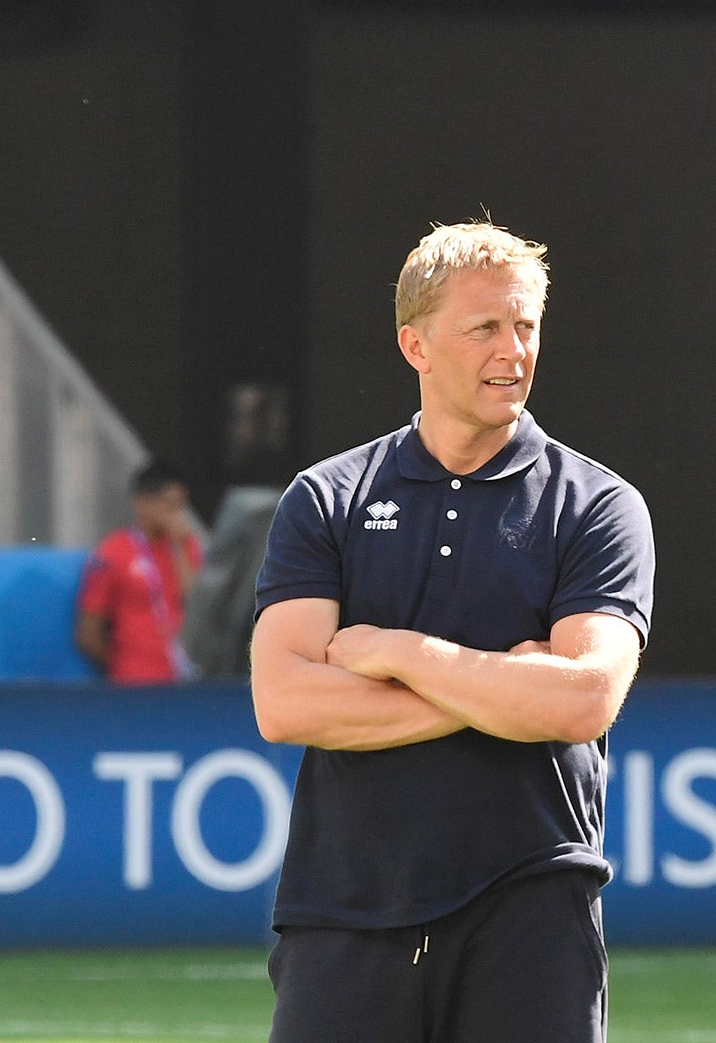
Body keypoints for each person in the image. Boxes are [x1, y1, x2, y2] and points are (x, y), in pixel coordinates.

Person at [250, 222, 654, 1043]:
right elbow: (285, 703)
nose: (514, 350)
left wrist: (403, 655)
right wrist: (504, 688)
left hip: (534, 909)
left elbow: (582, 701)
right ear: (416, 344)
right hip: (343, 912)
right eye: (485, 328)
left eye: (527, 326)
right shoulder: (326, 498)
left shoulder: (600, 505)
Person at [76, 461, 204, 685]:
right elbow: (89, 632)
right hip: (135, 682)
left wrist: (182, 548)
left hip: (184, 679)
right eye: (170, 506)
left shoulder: (186, 546)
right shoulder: (112, 552)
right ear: (143, 503)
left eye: (181, 506)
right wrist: (123, 666)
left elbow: (195, 604)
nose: (178, 515)